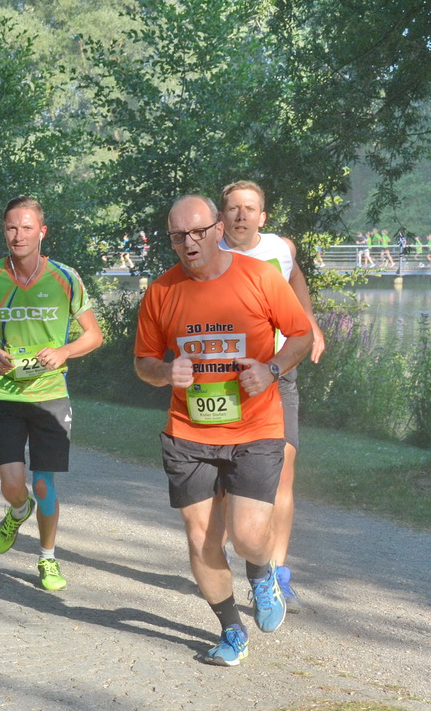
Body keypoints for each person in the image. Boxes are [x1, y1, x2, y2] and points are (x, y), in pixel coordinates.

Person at [133, 195, 313, 666]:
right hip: (188, 431)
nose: (188, 243)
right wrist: (165, 372)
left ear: (217, 229)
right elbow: (144, 362)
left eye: (197, 232)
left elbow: (301, 335)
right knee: (201, 539)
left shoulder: (260, 278)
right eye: (178, 236)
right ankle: (232, 629)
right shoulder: (161, 292)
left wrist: (271, 370)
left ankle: (262, 572)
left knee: (248, 536)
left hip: (255, 427)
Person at [0, 196, 102, 591]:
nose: (18, 235)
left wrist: (64, 351)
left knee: (44, 485)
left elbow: (94, 335)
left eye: (27, 227)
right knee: (13, 485)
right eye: (11, 227)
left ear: (42, 232)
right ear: (4, 231)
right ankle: (17, 510)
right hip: (6, 394)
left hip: (50, 395)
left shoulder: (65, 277)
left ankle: (47, 557)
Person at [222, 181, 327, 607]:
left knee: (283, 469)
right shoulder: (208, 252)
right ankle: (223, 553)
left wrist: (309, 322)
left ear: (262, 217)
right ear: (221, 216)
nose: (241, 215)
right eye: (233, 208)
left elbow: (295, 276)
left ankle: (277, 575)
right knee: (226, 474)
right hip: (224, 377)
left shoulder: (280, 249)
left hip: (277, 372)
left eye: (250, 208)